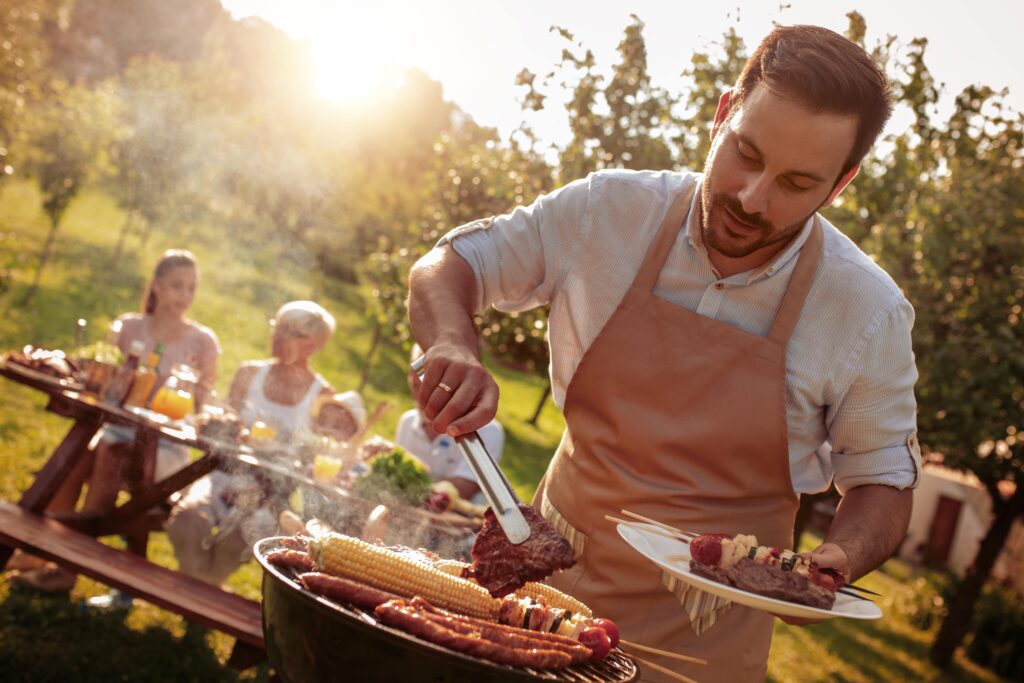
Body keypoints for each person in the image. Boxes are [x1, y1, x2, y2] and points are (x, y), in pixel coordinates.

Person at [406, 25, 919, 682]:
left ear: (840, 185)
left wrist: (843, 554)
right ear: (723, 112)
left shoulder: (865, 309)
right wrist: (452, 341)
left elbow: (884, 477)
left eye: (795, 183)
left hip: (701, 649)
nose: (751, 198)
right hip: (538, 599)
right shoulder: (611, 211)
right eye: (746, 154)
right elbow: (449, 263)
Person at [8, 249, 220, 597]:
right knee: (74, 461)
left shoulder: (203, 341)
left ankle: (64, 568)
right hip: (116, 428)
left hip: (165, 447)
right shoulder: (130, 327)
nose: (184, 296)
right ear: (157, 286)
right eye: (176, 286)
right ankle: (43, 551)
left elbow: (205, 408)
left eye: (191, 288)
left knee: (107, 452)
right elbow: (102, 375)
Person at [165, 300, 336, 586]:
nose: (276, 337)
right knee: (188, 521)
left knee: (240, 537)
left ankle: (198, 591)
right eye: (276, 328)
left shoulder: (322, 395)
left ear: (312, 345)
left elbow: (317, 453)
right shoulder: (249, 373)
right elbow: (225, 420)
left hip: (269, 491)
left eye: (288, 332)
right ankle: (202, 593)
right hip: (221, 474)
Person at [396, 345, 504, 503]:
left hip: (460, 525)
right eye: (415, 386)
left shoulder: (487, 430)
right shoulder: (407, 421)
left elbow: (460, 490)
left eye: (429, 388)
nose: (420, 397)